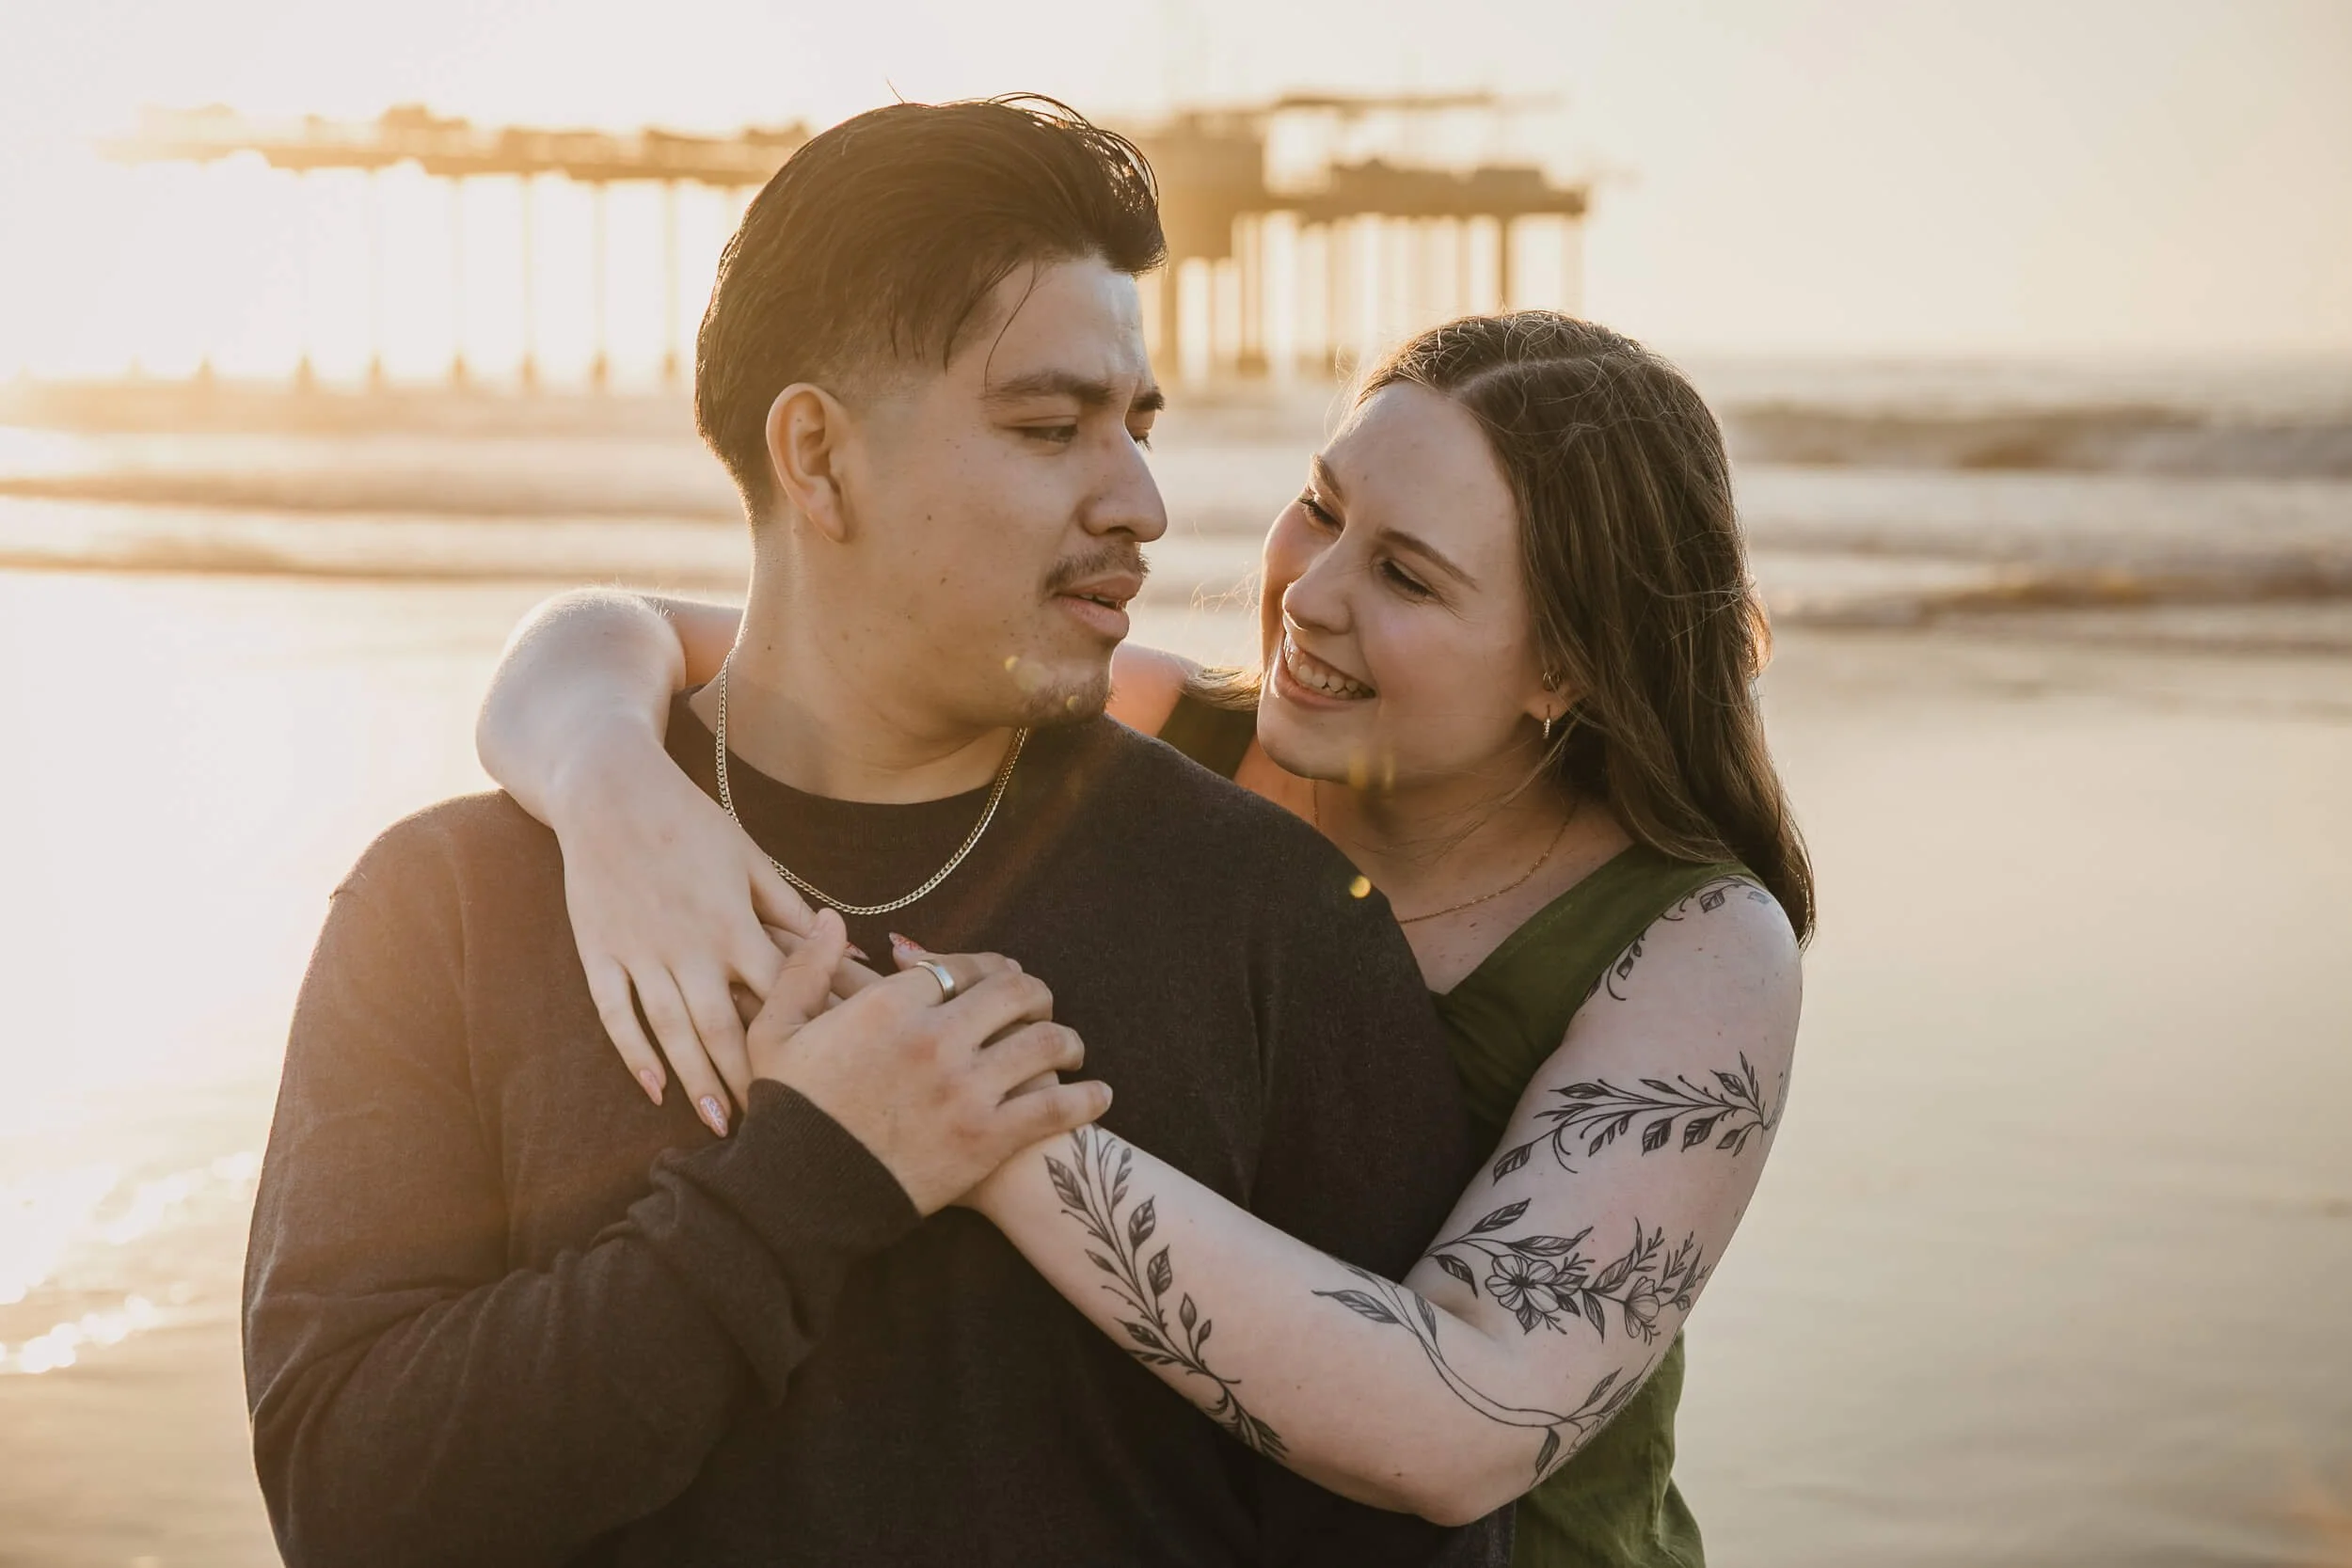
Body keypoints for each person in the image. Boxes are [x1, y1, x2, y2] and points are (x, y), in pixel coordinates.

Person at [244, 96, 1504, 1567]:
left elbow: (1409, 1525)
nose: (1145, 501)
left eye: (1140, 427)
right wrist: (808, 1179)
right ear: (818, 458)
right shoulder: (449, 907)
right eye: (1051, 427)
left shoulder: (1278, 915)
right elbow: (350, 1505)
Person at [475, 312, 1813, 1565]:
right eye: (1323, 509)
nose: (1310, 591)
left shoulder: (1697, 942)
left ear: (1563, 666)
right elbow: (611, 633)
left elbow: (1460, 1424)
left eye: (1404, 573)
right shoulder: (1164, 739)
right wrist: (610, 786)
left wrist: (981, 1113)